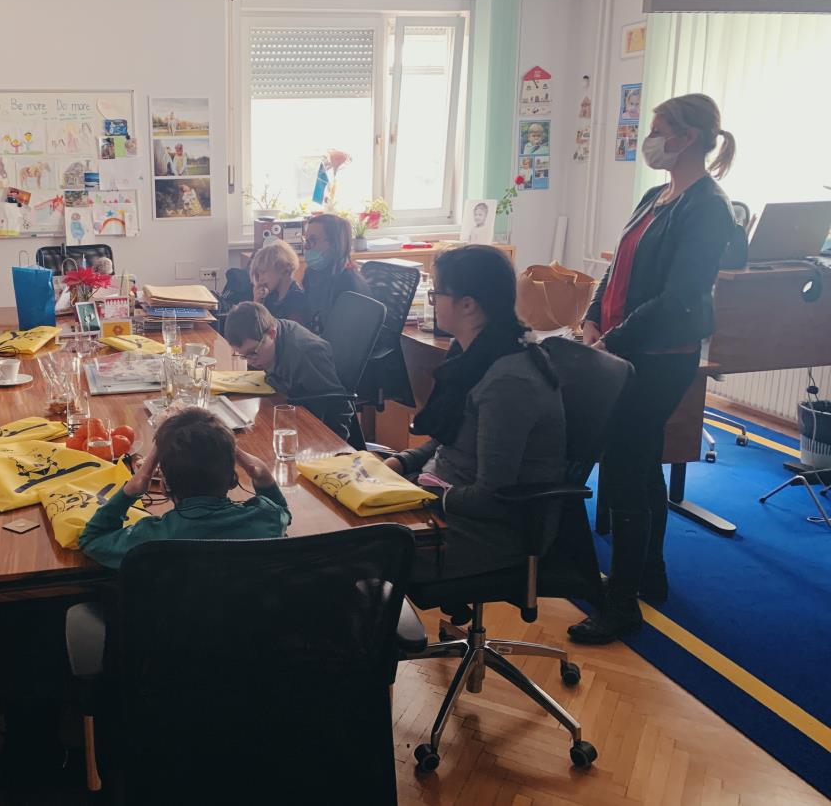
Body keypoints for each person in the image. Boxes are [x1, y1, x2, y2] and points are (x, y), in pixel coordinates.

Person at [568, 93, 736, 645]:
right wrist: (592, 319)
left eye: (661, 129)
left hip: (659, 358)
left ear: (688, 138)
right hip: (621, 349)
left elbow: (680, 296)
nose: (651, 138)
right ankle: (649, 576)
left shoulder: (708, 206)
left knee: (625, 469)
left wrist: (611, 341)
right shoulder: (655, 195)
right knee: (639, 467)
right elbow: (616, 268)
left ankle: (621, 605)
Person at [382, 245, 566, 580]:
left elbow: (491, 496)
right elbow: (451, 438)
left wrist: (419, 494)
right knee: (342, 530)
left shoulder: (508, 381)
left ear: (468, 304)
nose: (433, 301)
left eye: (437, 293)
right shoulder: (472, 354)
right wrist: (400, 463)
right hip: (447, 500)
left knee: (351, 551)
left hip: (486, 532)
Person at [79, 407, 290, 569]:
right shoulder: (265, 517)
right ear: (233, 480)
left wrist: (131, 488)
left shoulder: (149, 539)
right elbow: (283, 513)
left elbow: (92, 539)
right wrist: (262, 476)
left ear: (164, 486)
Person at [223, 301, 354, 441]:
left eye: (252, 353)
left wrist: (334, 445)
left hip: (316, 430)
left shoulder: (305, 354)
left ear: (272, 333)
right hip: (290, 407)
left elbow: (338, 404)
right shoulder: (267, 337)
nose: (250, 362)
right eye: (243, 356)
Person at [300, 212, 372, 336]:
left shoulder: (349, 285)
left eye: (312, 240)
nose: (306, 247)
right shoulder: (312, 274)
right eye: (306, 240)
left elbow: (343, 338)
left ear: (334, 244)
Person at [249, 239, 310, 326]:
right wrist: (257, 303)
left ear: (282, 268)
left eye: (263, 272)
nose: (260, 279)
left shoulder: (296, 300)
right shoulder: (270, 297)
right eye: (258, 274)